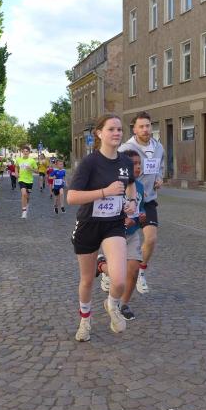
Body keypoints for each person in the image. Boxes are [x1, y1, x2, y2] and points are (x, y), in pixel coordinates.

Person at [68, 114, 137, 342]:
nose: (116, 133)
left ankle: (112, 305)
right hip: (88, 224)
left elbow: (130, 186)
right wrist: (105, 192)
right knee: (87, 279)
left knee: (119, 279)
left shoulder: (126, 162)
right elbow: (72, 197)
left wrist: (132, 202)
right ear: (99, 133)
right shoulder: (90, 162)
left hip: (113, 224)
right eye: (111, 129)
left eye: (119, 129)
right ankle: (85, 321)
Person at [96, 149, 145, 321]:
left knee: (134, 269)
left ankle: (123, 304)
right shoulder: (113, 185)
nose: (137, 167)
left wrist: (138, 218)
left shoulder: (139, 187)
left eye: (139, 164)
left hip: (132, 234)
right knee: (119, 273)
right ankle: (101, 265)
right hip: (112, 234)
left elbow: (140, 209)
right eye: (133, 164)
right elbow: (102, 208)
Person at [119, 112, 165, 294]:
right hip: (128, 200)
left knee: (151, 239)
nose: (146, 129)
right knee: (121, 241)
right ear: (135, 129)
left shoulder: (158, 147)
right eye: (142, 126)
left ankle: (141, 272)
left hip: (149, 199)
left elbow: (160, 167)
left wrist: (160, 178)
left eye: (148, 125)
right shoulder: (125, 148)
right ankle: (109, 269)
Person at [15, 145, 37, 218]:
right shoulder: (19, 160)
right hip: (21, 179)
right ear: (22, 152)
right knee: (24, 194)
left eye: (27, 151)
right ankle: (24, 210)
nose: (25, 152)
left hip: (29, 181)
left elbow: (37, 171)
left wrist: (31, 169)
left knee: (27, 196)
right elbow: (16, 167)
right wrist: (16, 173)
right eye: (24, 151)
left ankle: (26, 205)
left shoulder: (32, 161)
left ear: (29, 152)